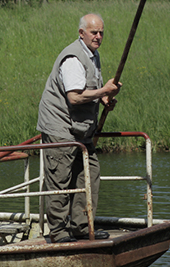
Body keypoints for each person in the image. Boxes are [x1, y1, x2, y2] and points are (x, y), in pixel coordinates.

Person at [36, 13, 121, 243]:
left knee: (89, 174)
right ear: (81, 33)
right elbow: (74, 97)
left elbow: (87, 90)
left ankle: (81, 227)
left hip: (80, 130)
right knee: (60, 180)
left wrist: (103, 100)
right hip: (59, 127)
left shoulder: (93, 55)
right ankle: (59, 232)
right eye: (94, 32)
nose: (98, 36)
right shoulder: (73, 58)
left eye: (101, 32)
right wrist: (104, 91)